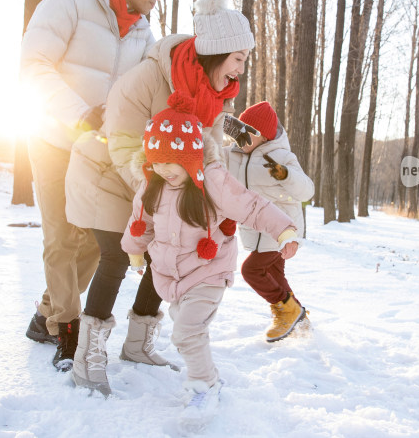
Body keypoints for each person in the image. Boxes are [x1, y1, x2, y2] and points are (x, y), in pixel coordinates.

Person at [64, 0, 256, 395]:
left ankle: (137, 344)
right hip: (105, 171)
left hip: (159, 180)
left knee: (166, 251)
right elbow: (123, 144)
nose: (241, 70)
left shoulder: (208, 94)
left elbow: (206, 151)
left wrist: (210, 192)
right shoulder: (147, 79)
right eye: (238, 59)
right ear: (217, 52)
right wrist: (164, 196)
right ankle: (87, 358)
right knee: (117, 256)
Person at [20, 0, 171, 371]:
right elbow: (34, 65)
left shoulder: (144, 35)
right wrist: (79, 114)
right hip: (53, 137)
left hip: (100, 149)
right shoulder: (68, 3)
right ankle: (65, 330)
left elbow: (152, 88)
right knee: (61, 238)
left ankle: (46, 310)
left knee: (94, 238)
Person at [120, 93, 300, 428]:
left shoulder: (212, 181)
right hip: (169, 276)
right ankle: (210, 377)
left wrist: (284, 231)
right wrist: (133, 249)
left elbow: (250, 205)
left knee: (187, 331)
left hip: (209, 271)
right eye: (156, 161)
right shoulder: (152, 186)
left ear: (190, 157)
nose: (163, 169)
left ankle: (204, 386)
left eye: (171, 161)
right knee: (188, 331)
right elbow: (139, 221)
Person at [224, 101, 314, 342]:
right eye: (236, 133)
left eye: (244, 135)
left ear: (261, 136)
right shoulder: (234, 155)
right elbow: (211, 156)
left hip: (281, 229)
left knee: (251, 270)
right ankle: (299, 319)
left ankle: (287, 311)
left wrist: (286, 174)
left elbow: (307, 192)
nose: (238, 140)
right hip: (256, 230)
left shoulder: (282, 156)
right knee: (275, 276)